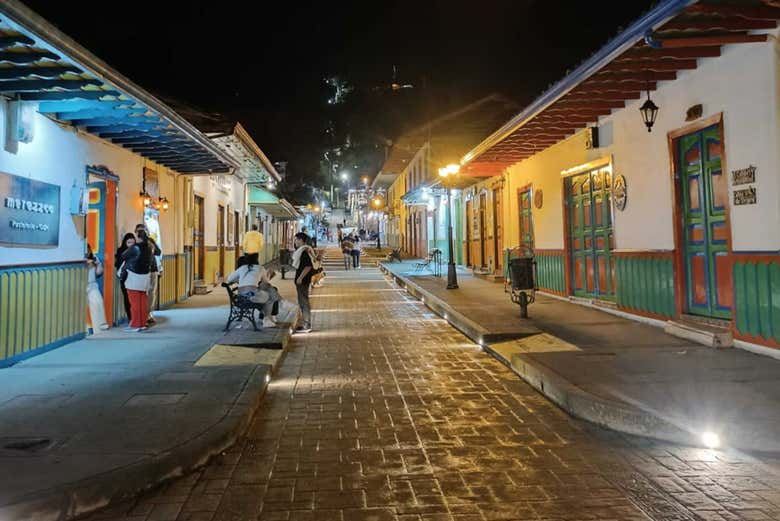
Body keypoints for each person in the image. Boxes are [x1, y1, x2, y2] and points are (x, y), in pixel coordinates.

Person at [226, 253, 279, 328]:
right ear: (257, 259)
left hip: (241, 297)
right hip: (253, 296)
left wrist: (240, 279)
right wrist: (269, 275)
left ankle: (268, 317)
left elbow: (229, 279)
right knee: (271, 295)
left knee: (265, 295)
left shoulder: (242, 268)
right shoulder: (260, 268)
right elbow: (266, 282)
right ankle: (267, 319)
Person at [122, 228, 153, 332]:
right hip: (145, 277)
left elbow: (124, 255)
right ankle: (142, 323)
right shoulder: (149, 247)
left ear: (138, 237)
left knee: (134, 302)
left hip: (133, 277)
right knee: (143, 301)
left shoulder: (135, 247)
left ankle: (135, 324)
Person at [292, 232, 314, 333]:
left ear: (301, 240)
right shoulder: (303, 250)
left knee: (304, 301)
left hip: (303, 281)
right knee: (302, 301)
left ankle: (307, 325)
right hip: (303, 280)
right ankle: (305, 323)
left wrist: (300, 278)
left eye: (296, 239)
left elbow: (308, 266)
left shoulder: (304, 252)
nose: (295, 241)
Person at [86, 244, 109, 332]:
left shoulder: (94, 258)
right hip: (78, 287)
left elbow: (98, 273)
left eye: (88, 250)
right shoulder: (75, 258)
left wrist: (97, 264)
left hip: (92, 285)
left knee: (98, 303)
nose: (86, 252)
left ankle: (100, 328)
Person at [114, 233, 135, 323]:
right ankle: (130, 317)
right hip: (125, 278)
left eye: (133, 242)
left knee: (134, 299)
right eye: (129, 242)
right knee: (127, 298)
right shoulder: (120, 251)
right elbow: (117, 264)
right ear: (125, 242)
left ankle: (135, 318)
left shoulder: (137, 251)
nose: (131, 245)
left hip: (135, 278)